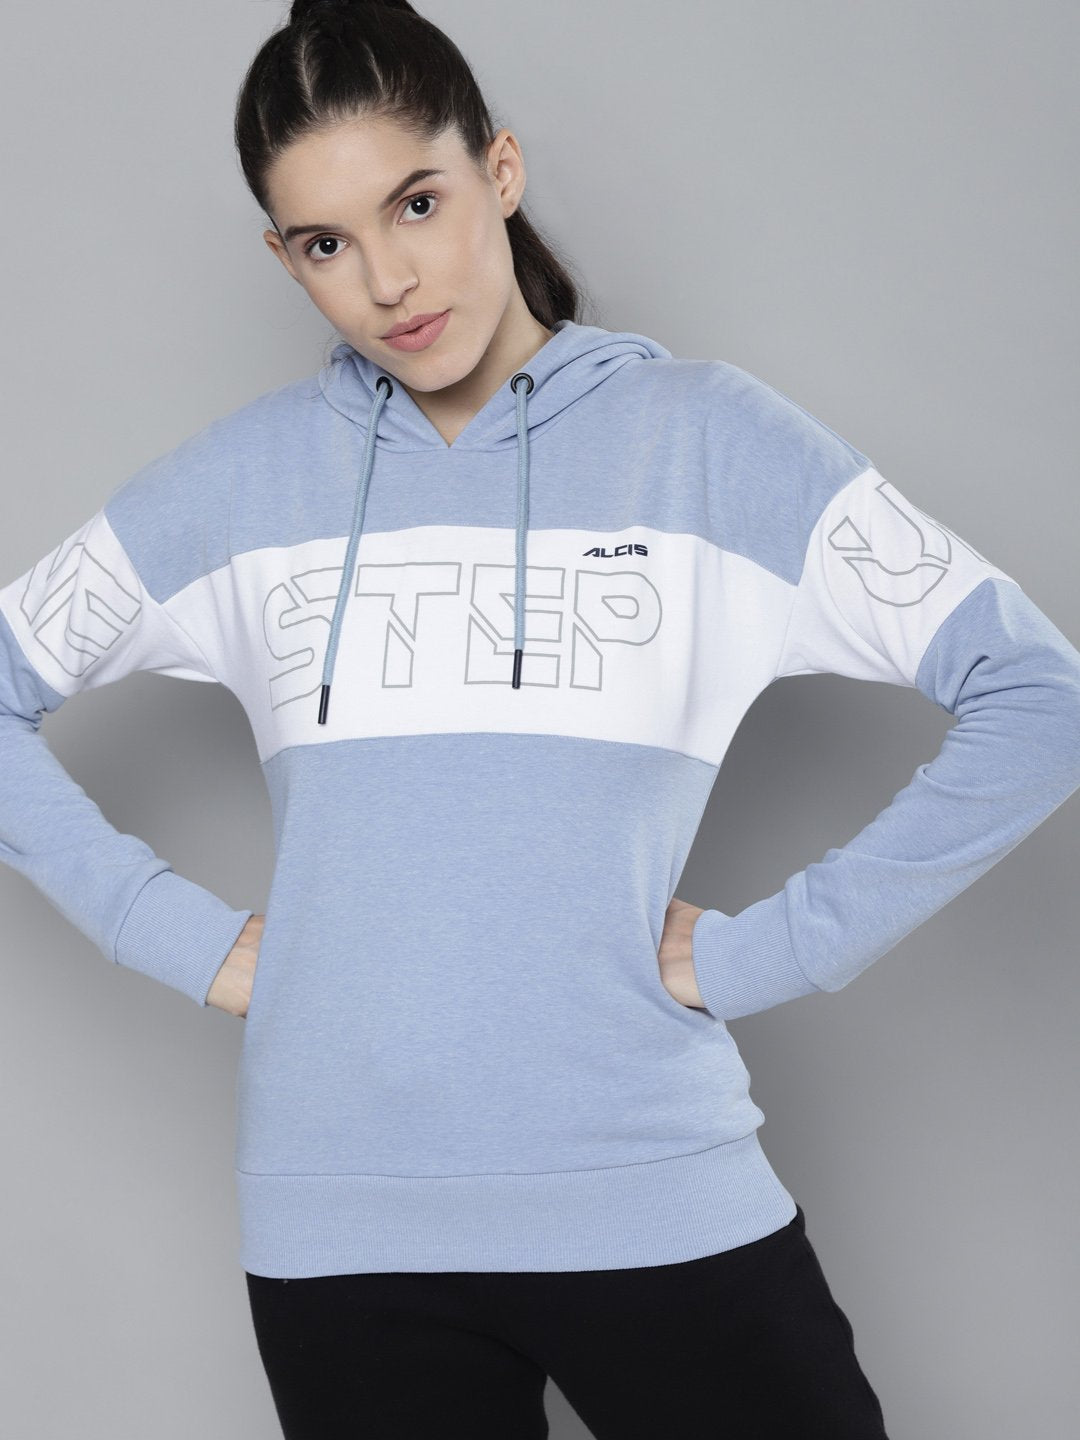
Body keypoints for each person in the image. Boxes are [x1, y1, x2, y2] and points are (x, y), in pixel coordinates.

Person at [2, 0, 1079, 1435]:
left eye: (418, 204)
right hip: (345, 1232)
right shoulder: (244, 487)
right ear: (284, 257)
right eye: (325, 244)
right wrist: (171, 933)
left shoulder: (706, 444)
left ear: (499, 171)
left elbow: (1039, 693)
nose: (387, 280)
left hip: (653, 1183)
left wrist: (780, 947)